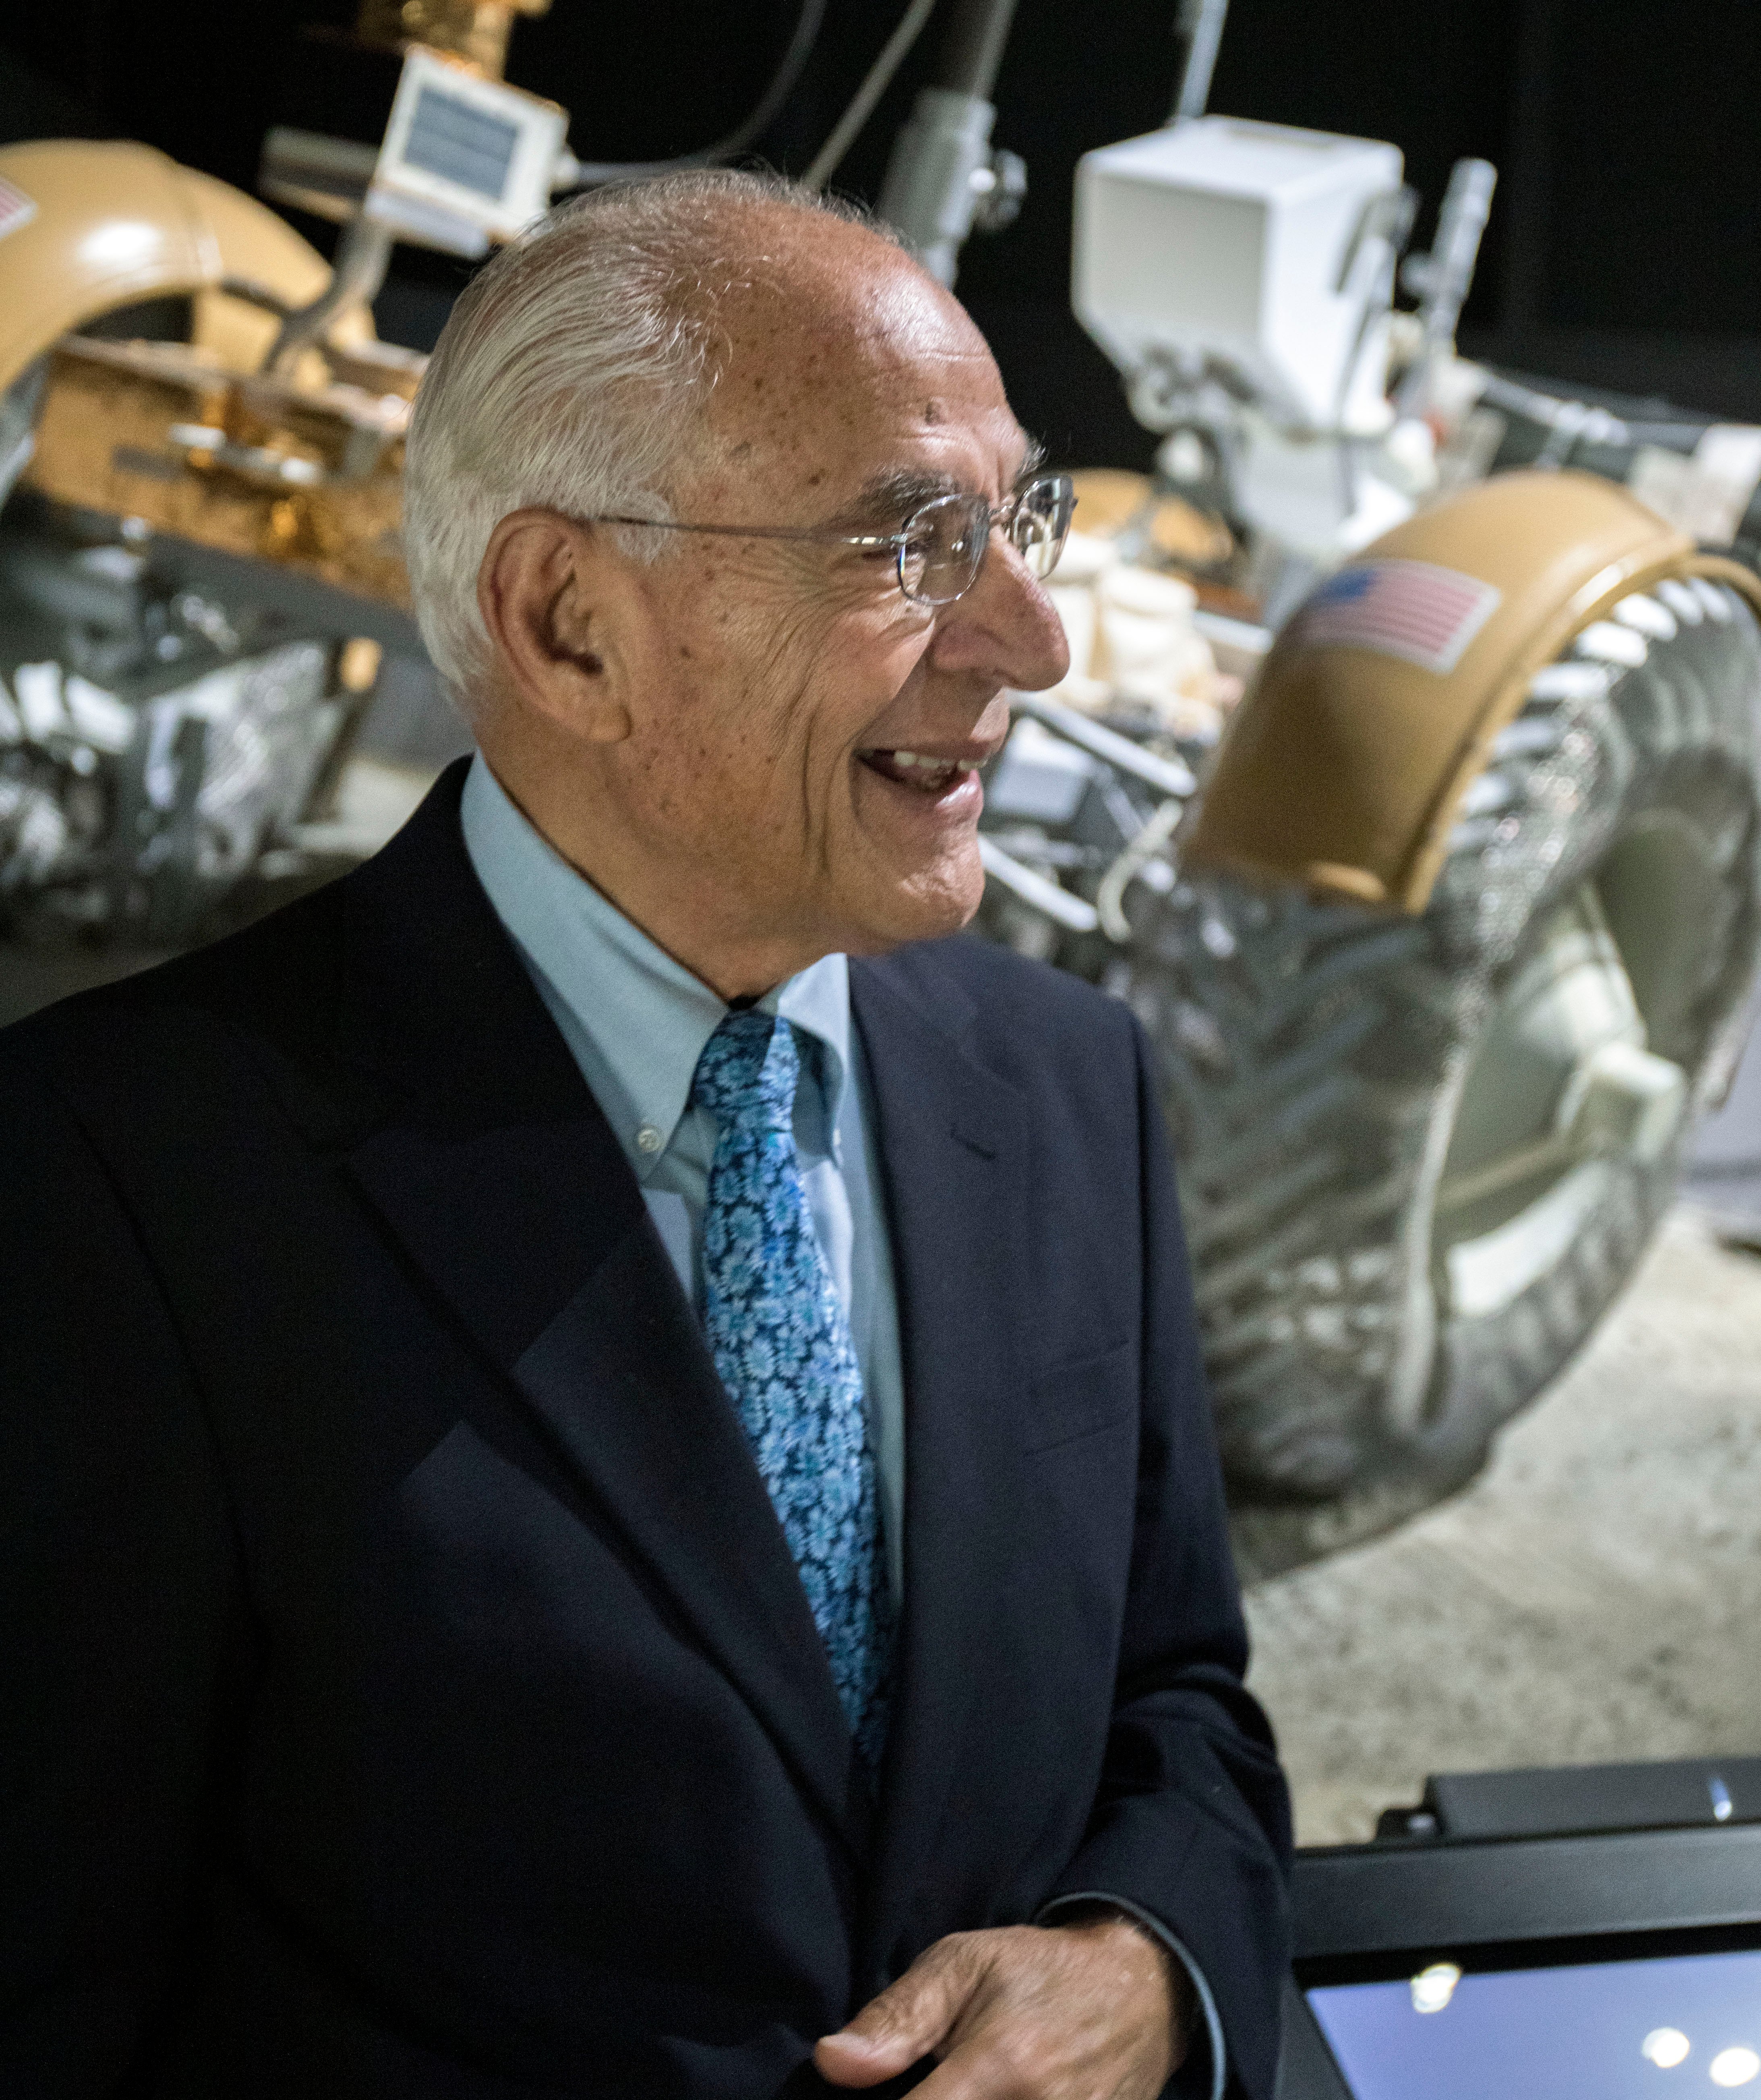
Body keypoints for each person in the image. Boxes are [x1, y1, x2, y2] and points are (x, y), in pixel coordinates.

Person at [0, 172, 1291, 2098]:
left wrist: (1146, 1959)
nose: (1032, 641)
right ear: (569, 622)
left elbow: (1178, 1702)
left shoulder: (1066, 1084)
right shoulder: (114, 1184)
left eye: (1019, 514)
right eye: (907, 536)